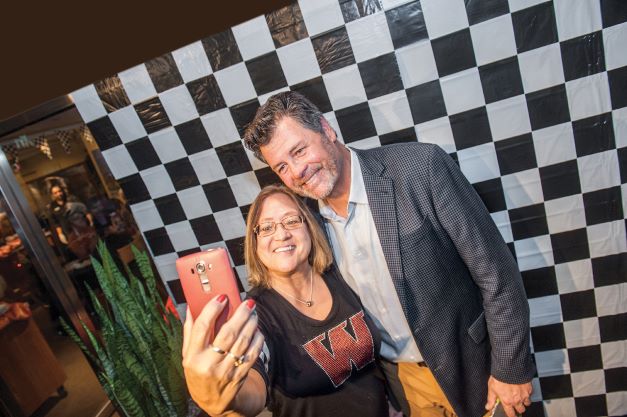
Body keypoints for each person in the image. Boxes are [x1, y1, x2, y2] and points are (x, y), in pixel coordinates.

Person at [241, 91, 535, 417]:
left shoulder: (420, 168)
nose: (296, 172)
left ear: (326, 130)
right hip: (404, 385)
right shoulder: (308, 223)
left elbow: (496, 272)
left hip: (476, 368)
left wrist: (511, 368)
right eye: (282, 166)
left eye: (299, 150)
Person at [183, 185, 389, 417]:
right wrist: (228, 397)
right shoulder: (256, 313)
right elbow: (253, 387)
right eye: (267, 227)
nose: (281, 234)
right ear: (255, 243)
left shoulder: (340, 275)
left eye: (291, 221)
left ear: (309, 228)